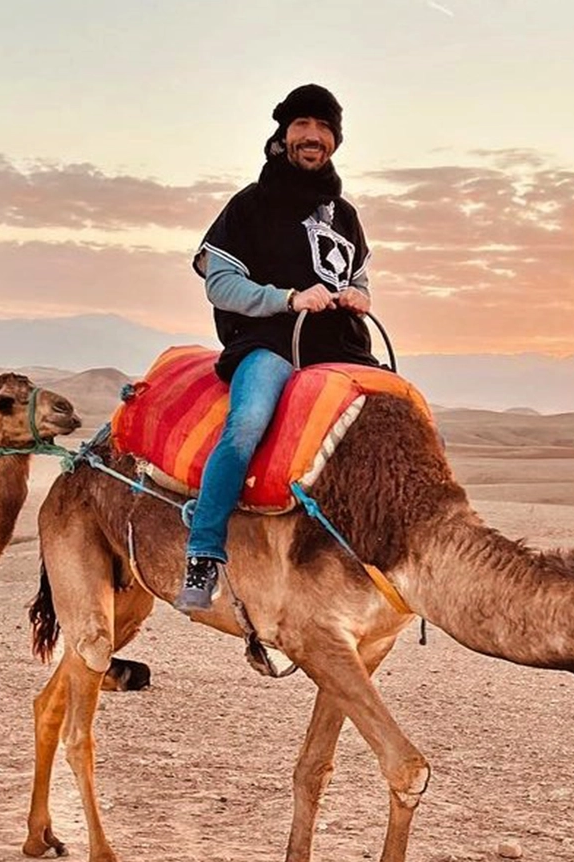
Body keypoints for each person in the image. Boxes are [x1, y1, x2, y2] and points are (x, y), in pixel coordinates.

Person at [176, 84, 379, 612]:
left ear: (335, 139)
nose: (313, 137)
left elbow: (358, 276)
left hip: (339, 347)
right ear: (283, 136)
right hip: (271, 342)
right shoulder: (249, 205)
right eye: (302, 127)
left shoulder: (347, 216)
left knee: (397, 420)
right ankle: (203, 551)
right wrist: (286, 298)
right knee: (246, 426)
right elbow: (220, 283)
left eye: (323, 128)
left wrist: (359, 296)